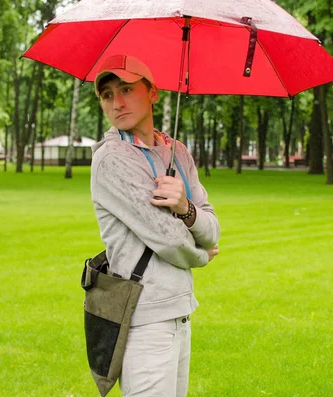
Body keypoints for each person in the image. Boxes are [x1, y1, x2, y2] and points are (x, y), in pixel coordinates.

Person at [90, 54, 220, 397]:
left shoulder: (177, 152)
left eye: (127, 89)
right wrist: (202, 256)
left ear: (153, 93)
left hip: (181, 310)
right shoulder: (112, 159)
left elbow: (212, 227)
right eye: (106, 95)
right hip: (143, 317)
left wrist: (185, 206)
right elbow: (168, 239)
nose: (116, 103)